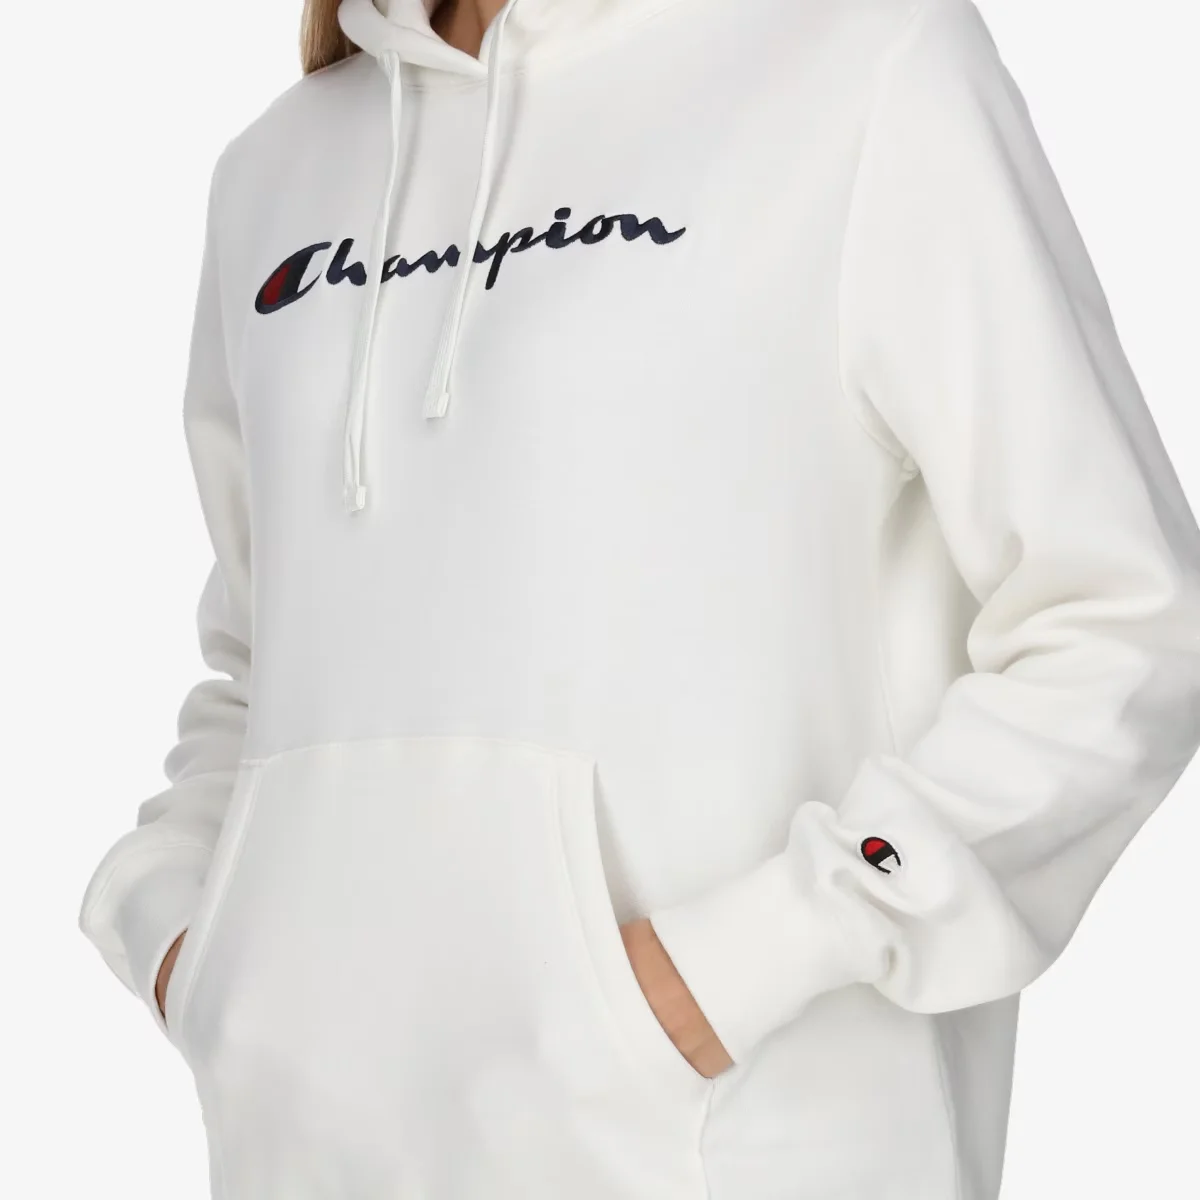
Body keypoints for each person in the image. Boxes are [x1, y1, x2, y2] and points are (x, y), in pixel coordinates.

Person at [78, 0, 1200, 1197]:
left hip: (742, 1139)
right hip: (308, 1153)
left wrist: (753, 957)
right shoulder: (279, 166)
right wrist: (177, 924)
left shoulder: (866, 63)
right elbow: (264, 655)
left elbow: (1125, 618)